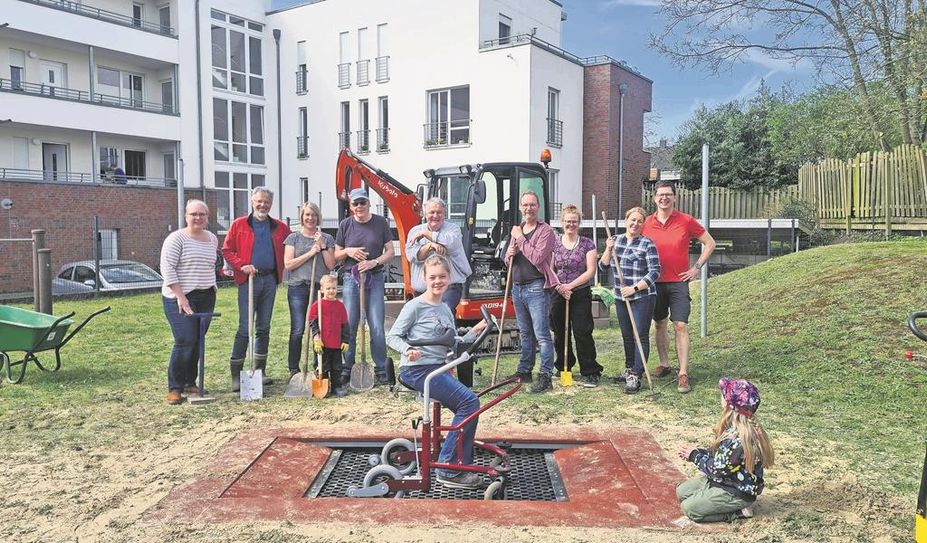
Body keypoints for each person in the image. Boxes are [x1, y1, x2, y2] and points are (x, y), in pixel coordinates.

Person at [386, 254, 489, 489]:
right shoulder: (415, 306)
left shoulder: (445, 308)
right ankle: (448, 468)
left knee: (468, 406)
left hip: (437, 368)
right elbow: (392, 336)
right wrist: (408, 349)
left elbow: (452, 342)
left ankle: (458, 460)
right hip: (418, 369)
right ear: (424, 278)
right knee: (469, 403)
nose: (437, 281)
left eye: (442, 277)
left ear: (449, 278)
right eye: (432, 277)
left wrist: (476, 329)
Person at [642, 180, 716, 393]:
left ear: (674, 197)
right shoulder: (646, 223)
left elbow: (710, 243)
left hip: (678, 282)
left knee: (680, 325)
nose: (664, 198)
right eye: (660, 195)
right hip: (654, 282)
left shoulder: (686, 220)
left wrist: (696, 268)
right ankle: (665, 364)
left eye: (668, 194)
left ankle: (683, 373)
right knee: (659, 324)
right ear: (655, 198)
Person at [222, 186, 292, 391]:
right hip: (248, 281)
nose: (263, 205)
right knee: (245, 328)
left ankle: (259, 372)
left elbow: (293, 246)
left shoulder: (279, 228)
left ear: (271, 204)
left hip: (269, 280)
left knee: (264, 327)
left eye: (266, 202)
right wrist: (241, 265)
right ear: (252, 201)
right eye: (259, 201)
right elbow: (227, 249)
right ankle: (237, 376)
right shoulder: (239, 225)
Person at [677, 378, 774, 522]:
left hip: (736, 492)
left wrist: (695, 456)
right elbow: (721, 458)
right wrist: (702, 453)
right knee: (681, 492)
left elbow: (717, 468)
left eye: (723, 394)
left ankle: (738, 512)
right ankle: (713, 497)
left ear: (730, 405)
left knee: (690, 509)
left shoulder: (738, 439)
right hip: (726, 481)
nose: (720, 396)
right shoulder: (736, 427)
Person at [159, 200, 218, 405]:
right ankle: (174, 387)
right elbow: (167, 270)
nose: (198, 218)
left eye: (202, 214)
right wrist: (181, 298)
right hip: (179, 297)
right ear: (186, 216)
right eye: (194, 214)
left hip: (206, 295)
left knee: (198, 341)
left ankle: (189, 382)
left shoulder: (211, 239)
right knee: (185, 340)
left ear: (207, 217)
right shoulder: (176, 239)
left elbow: (209, 265)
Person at [335, 188, 394, 386]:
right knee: (350, 324)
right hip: (352, 280)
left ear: (369, 204)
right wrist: (349, 251)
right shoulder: (345, 225)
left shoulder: (380, 223)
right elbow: (336, 255)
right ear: (351, 207)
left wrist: (374, 262)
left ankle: (380, 367)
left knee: (376, 325)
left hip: (375, 278)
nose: (359, 206)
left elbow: (390, 252)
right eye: (355, 204)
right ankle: (348, 366)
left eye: (363, 203)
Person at [599, 206, 661, 394]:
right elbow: (603, 267)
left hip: (642, 297)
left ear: (643, 225)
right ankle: (628, 369)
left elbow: (655, 272)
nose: (635, 224)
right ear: (626, 221)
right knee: (626, 335)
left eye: (639, 221)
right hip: (620, 297)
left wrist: (633, 289)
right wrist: (608, 250)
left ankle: (636, 374)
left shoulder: (647, 244)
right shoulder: (615, 240)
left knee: (639, 335)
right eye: (632, 220)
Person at [505, 191, 560, 393]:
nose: (528, 208)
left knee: (542, 334)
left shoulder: (546, 231)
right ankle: (524, 371)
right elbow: (508, 260)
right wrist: (508, 253)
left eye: (532, 205)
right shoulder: (517, 230)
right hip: (517, 287)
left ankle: (546, 376)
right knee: (525, 333)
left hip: (536, 287)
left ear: (538, 207)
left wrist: (519, 240)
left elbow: (536, 258)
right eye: (525, 205)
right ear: (520, 207)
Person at [550, 204, 603, 387]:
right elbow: (550, 269)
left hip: (579, 293)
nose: (570, 225)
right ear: (562, 222)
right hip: (558, 292)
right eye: (567, 221)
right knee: (560, 332)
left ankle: (590, 370)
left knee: (582, 331)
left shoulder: (588, 244)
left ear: (579, 223)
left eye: (574, 222)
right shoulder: (555, 243)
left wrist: (570, 286)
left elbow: (590, 271)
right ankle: (564, 366)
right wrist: (559, 287)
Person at [284, 202, 336, 378]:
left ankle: (319, 366)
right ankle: (294, 369)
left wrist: (321, 246)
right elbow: (288, 264)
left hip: (318, 289)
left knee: (319, 328)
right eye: (307, 215)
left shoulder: (327, 238)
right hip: (298, 287)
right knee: (298, 329)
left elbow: (330, 265)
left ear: (318, 217)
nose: (310, 218)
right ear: (302, 217)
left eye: (313, 215)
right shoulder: (293, 238)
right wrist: (310, 253)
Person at [405, 197, 472, 314]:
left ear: (444, 214)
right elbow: (413, 256)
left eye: (439, 212)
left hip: (449, 287)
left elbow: (451, 243)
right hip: (422, 289)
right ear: (425, 214)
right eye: (432, 212)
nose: (435, 215)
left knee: (444, 313)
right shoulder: (414, 231)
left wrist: (427, 234)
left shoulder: (453, 229)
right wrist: (431, 245)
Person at [308, 275, 349, 397]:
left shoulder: (340, 306)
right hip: (322, 344)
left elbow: (345, 325)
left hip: (336, 344)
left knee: (337, 367)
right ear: (322, 289)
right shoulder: (317, 305)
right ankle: (324, 385)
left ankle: (337, 386)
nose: (331, 291)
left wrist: (345, 340)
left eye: (334, 288)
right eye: (328, 288)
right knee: (322, 366)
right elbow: (312, 322)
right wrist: (316, 338)